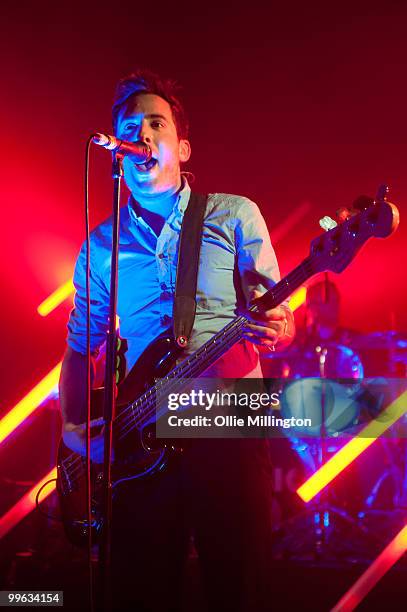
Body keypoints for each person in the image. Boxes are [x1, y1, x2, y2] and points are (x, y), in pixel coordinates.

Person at [59, 70, 295, 612]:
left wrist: (278, 327)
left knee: (239, 588)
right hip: (142, 428)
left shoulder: (234, 214)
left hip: (231, 414)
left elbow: (281, 322)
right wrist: (73, 430)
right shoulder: (101, 245)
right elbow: (79, 347)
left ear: (182, 146)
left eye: (155, 123)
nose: (141, 134)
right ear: (116, 152)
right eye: (129, 127)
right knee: (142, 590)